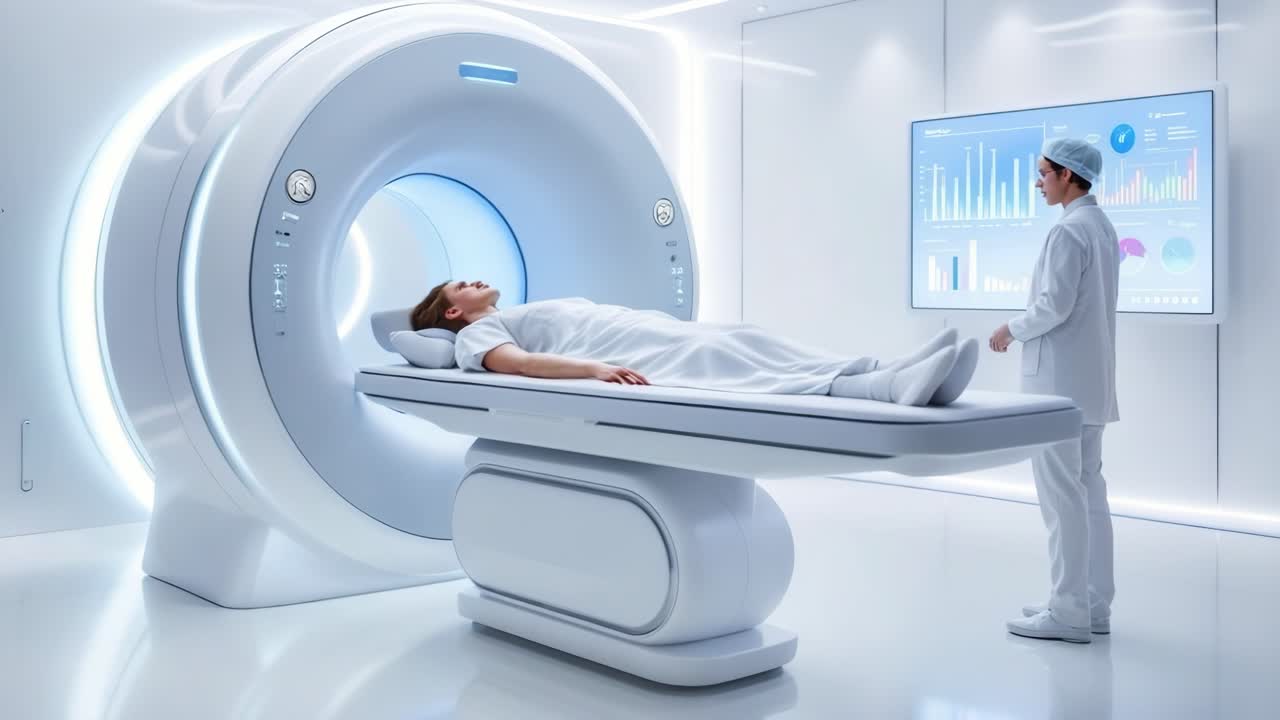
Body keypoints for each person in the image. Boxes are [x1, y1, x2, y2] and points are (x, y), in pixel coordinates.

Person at [408, 280, 981, 406]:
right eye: (464, 284)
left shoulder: (506, 311)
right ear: (454, 311)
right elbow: (519, 365)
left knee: (745, 337)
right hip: (627, 350)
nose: (477, 280)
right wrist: (594, 369)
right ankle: (885, 386)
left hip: (635, 329)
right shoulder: (478, 333)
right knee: (729, 356)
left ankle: (892, 369)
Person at [990, 138, 1119, 643]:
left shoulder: (1068, 233)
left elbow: (1053, 307)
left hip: (1059, 388)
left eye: (1043, 172)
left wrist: (1010, 329)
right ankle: (1092, 602)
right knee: (1089, 493)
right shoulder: (1102, 227)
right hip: (1089, 387)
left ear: (1068, 175)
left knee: (1063, 497)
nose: (1037, 181)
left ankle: (1067, 611)